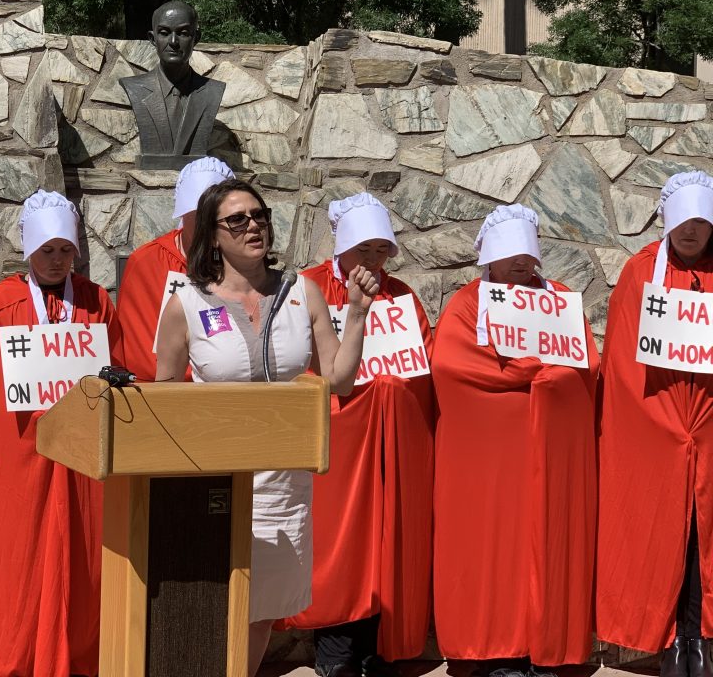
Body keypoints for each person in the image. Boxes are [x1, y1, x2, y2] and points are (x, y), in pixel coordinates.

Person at [155, 179, 379, 677]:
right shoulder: (185, 304)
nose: (253, 226)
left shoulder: (305, 292)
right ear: (212, 236)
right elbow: (164, 395)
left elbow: (338, 381)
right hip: (215, 483)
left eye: (259, 216)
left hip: (282, 484)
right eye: (237, 220)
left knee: (263, 611)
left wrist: (359, 315)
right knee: (211, 608)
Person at [432, 204, 598, 675]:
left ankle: (545, 650)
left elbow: (585, 361)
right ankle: (497, 652)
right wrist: (542, 371)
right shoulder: (465, 305)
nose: (521, 263)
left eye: (527, 254)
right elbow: (452, 365)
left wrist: (538, 376)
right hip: (488, 460)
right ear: (489, 258)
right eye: (510, 256)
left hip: (549, 451)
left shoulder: (560, 297)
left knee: (549, 544)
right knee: (491, 551)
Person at [0, 190, 123, 677]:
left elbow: (114, 369)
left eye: (66, 251)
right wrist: (45, 429)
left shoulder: (97, 302)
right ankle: (9, 661)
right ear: (29, 251)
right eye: (47, 251)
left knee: (85, 561)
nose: (57, 261)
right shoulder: (0, 306)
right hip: (21, 460)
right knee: (15, 563)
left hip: (80, 460)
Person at [280, 193, 434, 677]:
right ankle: (337, 653)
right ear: (341, 249)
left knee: (385, 545)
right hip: (337, 442)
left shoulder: (404, 295)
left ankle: (379, 649)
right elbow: (295, 362)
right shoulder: (306, 289)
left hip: (391, 443)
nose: (372, 260)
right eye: (362, 250)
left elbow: (422, 366)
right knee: (338, 547)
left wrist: (390, 394)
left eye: (380, 250)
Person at [597, 171, 713, 677]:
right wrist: (663, 424)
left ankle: (701, 638)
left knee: (704, 536)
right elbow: (623, 363)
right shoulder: (639, 272)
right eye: (683, 219)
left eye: (702, 221)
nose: (691, 230)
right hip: (657, 421)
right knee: (663, 531)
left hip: (710, 421)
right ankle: (669, 642)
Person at [117, 156, 234, 381]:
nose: (204, 223)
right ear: (182, 213)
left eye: (215, 215)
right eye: (197, 214)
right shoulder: (147, 262)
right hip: (165, 391)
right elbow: (139, 352)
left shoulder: (239, 262)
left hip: (228, 388)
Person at [119, 0, 226, 164]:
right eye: (164, 33)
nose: (174, 42)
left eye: (183, 33)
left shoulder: (212, 91)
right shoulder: (134, 88)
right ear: (152, 38)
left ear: (195, 38)